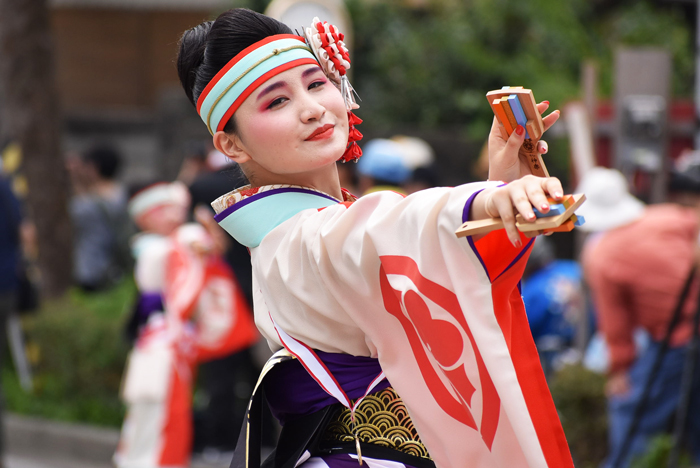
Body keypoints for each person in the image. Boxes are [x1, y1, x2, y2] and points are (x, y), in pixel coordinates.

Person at [177, 9, 570, 468]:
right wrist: (486, 200)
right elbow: (386, 228)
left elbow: (434, 265)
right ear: (232, 145)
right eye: (276, 102)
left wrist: (500, 184)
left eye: (316, 82)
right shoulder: (298, 238)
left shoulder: (320, 222)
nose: (312, 108)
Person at [114, 181, 258, 468]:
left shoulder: (179, 240)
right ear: (143, 218)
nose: (170, 215)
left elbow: (208, 250)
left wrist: (207, 238)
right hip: (158, 335)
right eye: (160, 210)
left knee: (170, 406)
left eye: (171, 209)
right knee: (150, 404)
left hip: (172, 336)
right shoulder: (159, 246)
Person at [579, 166, 700, 467]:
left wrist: (620, 370)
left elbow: (615, 324)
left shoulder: (600, 255)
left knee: (631, 412)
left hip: (679, 338)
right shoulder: (667, 217)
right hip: (687, 328)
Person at [68, 144, 132, 291]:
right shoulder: (122, 194)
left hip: (91, 272)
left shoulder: (85, 206)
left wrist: (74, 178)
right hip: (116, 272)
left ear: (93, 168)